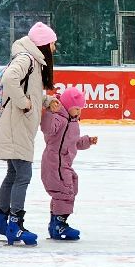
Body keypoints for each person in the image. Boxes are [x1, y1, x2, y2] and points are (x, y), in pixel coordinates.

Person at [0, 21, 57, 246]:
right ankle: (14, 225)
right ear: (44, 44)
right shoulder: (26, 59)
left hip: (17, 125)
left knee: (13, 174)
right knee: (23, 176)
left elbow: (30, 91)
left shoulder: (33, 61)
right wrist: (25, 104)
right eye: (53, 43)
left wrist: (45, 100)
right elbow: (10, 79)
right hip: (16, 126)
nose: (55, 48)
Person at [40, 85, 97, 241]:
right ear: (67, 105)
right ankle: (59, 224)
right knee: (64, 191)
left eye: (80, 109)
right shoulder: (59, 117)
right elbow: (47, 128)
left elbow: (74, 143)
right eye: (76, 108)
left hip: (63, 163)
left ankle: (55, 224)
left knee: (69, 187)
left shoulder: (72, 121)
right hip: (55, 162)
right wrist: (51, 112)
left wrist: (87, 141)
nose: (79, 112)